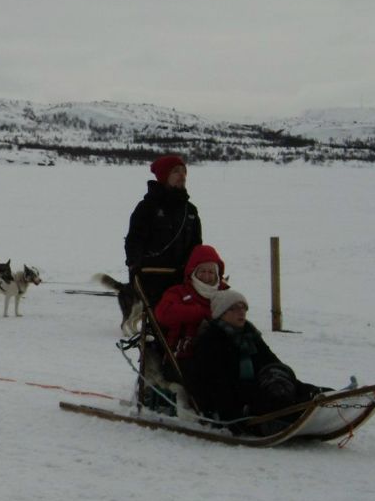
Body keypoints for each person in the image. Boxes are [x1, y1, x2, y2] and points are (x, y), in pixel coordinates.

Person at [186, 290, 319, 435]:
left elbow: (271, 362)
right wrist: (233, 412)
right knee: (273, 401)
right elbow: (214, 384)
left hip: (254, 389)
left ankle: (317, 399)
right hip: (232, 402)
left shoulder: (250, 335)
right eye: (234, 308)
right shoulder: (210, 340)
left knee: (286, 386)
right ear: (221, 313)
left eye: (244, 308)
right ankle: (296, 414)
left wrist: (291, 383)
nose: (241, 312)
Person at [124, 154, 202, 307]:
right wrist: (134, 266)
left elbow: (196, 245)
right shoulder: (147, 207)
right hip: (151, 276)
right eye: (176, 171)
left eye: (184, 171)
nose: (182, 175)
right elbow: (134, 240)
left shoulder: (190, 210)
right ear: (164, 176)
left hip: (181, 277)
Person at [154, 244, 230, 362]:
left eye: (211, 272)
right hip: (185, 355)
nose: (206, 276)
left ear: (217, 275)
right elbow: (163, 313)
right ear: (193, 271)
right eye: (202, 271)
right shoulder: (178, 292)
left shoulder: (224, 294)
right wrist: (200, 313)